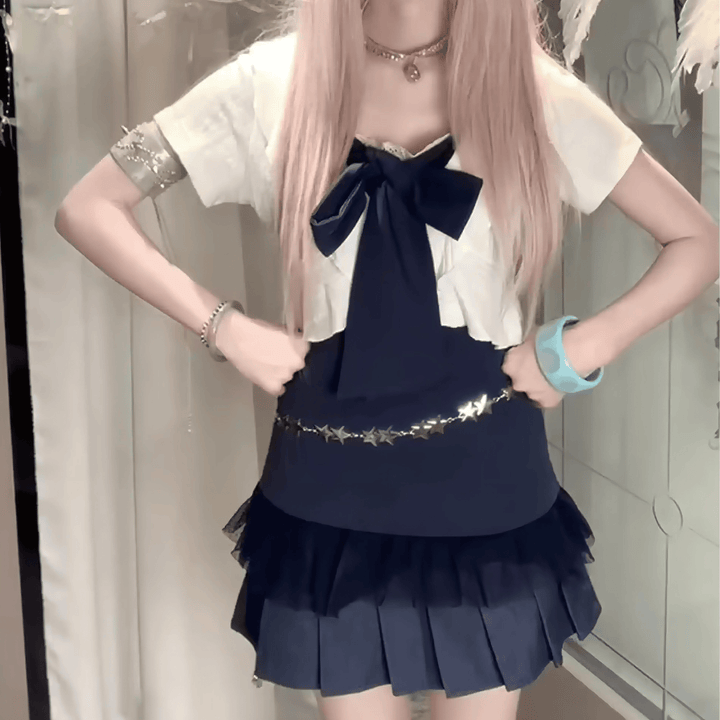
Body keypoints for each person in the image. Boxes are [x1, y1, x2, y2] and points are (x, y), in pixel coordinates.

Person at [53, 0, 720, 718]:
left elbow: (696, 241)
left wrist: (576, 350)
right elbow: (89, 208)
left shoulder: (529, 92)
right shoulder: (271, 83)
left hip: (487, 490)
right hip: (327, 496)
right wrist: (225, 327)